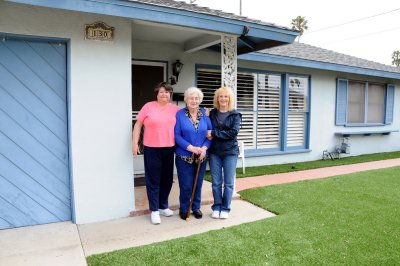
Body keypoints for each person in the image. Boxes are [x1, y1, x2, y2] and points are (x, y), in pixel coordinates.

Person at [132, 82, 180, 225]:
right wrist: (135, 143)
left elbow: (190, 117)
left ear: (170, 94)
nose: (164, 94)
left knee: (166, 180)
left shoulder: (176, 109)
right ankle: (154, 210)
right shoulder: (148, 106)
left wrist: (205, 113)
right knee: (153, 180)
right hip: (151, 149)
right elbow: (138, 125)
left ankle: (163, 206)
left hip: (169, 148)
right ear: (157, 94)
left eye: (167, 92)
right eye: (161, 92)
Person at [174, 87, 212, 220]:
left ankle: (196, 207)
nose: (194, 101)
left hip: (201, 156)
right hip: (184, 156)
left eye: (196, 98)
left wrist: (204, 149)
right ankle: (184, 208)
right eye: (191, 98)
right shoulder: (179, 114)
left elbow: (210, 134)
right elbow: (177, 136)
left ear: (200, 100)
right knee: (186, 185)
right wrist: (192, 148)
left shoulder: (205, 114)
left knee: (198, 183)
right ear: (186, 100)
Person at [207, 87, 241, 219]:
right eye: (220, 96)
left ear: (230, 99)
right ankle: (217, 207)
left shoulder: (235, 115)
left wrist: (214, 133)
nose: (223, 99)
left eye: (226, 96)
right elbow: (206, 127)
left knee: (228, 183)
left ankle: (225, 208)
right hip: (215, 152)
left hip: (230, 152)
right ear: (217, 98)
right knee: (216, 182)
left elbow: (233, 133)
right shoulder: (212, 113)